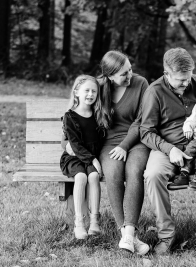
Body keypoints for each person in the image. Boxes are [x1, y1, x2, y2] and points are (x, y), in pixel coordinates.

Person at [140, 47, 196, 254]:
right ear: (166, 74)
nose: (186, 83)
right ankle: (166, 235)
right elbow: (146, 131)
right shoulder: (154, 92)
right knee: (153, 175)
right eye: (180, 80)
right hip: (167, 148)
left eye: (188, 78)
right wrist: (169, 149)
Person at [63, 51, 150, 255]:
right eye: (123, 74)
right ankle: (127, 234)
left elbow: (141, 121)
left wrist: (125, 145)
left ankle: (129, 233)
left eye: (130, 69)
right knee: (112, 174)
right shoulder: (98, 87)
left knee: (135, 171)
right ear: (109, 76)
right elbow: (75, 113)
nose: (130, 76)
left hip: (136, 141)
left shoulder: (141, 84)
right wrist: (67, 143)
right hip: (108, 144)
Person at [60, 75, 106, 240]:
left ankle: (94, 221)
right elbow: (75, 145)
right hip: (74, 158)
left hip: (91, 156)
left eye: (94, 91)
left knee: (93, 176)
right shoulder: (70, 117)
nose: (90, 94)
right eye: (86, 90)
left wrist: (96, 158)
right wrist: (93, 160)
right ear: (76, 92)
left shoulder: (97, 114)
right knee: (80, 177)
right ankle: (79, 222)